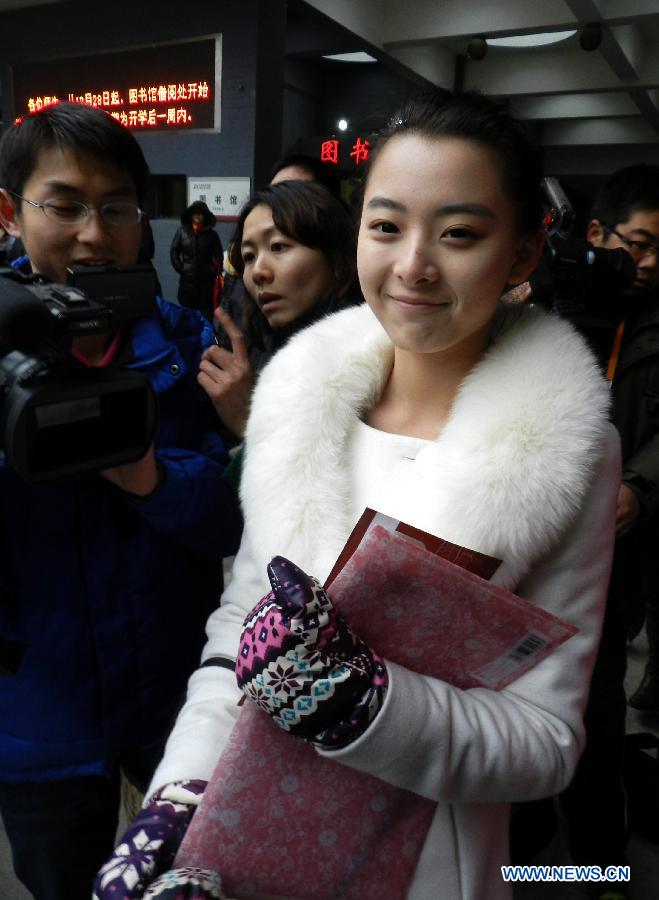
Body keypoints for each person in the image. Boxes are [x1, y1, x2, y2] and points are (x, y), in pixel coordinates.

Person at [96, 91, 620, 900]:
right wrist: (181, 797)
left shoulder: (564, 448)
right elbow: (239, 633)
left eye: (459, 234)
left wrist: (365, 704)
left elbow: (547, 740)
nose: (412, 264)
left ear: (521, 254)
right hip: (245, 846)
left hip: (424, 869)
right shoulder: (298, 400)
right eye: (385, 226)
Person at [0, 101, 242, 900]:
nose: (93, 234)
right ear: (11, 211)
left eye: (116, 208)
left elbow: (234, 519)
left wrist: (149, 477)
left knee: (194, 877)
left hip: (174, 691)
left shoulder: (188, 344)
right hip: (38, 710)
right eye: (63, 206)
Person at [558, 164, 659, 899]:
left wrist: (640, 487)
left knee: (594, 714)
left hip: (614, 556)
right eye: (640, 243)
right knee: (518, 711)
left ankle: (591, 873)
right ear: (595, 233)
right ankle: (517, 859)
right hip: (532, 551)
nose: (650, 263)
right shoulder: (542, 303)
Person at [199, 180, 358, 440]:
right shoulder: (257, 343)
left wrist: (247, 419)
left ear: (334, 255)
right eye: (249, 256)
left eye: (278, 247)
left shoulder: (372, 367)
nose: (259, 272)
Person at [170, 200, 223, 323]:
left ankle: (207, 341)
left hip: (206, 284)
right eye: (195, 213)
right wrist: (181, 268)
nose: (198, 216)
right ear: (190, 215)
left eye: (201, 214)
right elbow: (174, 252)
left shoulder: (212, 235)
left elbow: (219, 256)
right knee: (187, 317)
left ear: (205, 216)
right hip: (187, 284)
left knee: (206, 319)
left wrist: (213, 270)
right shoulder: (181, 232)